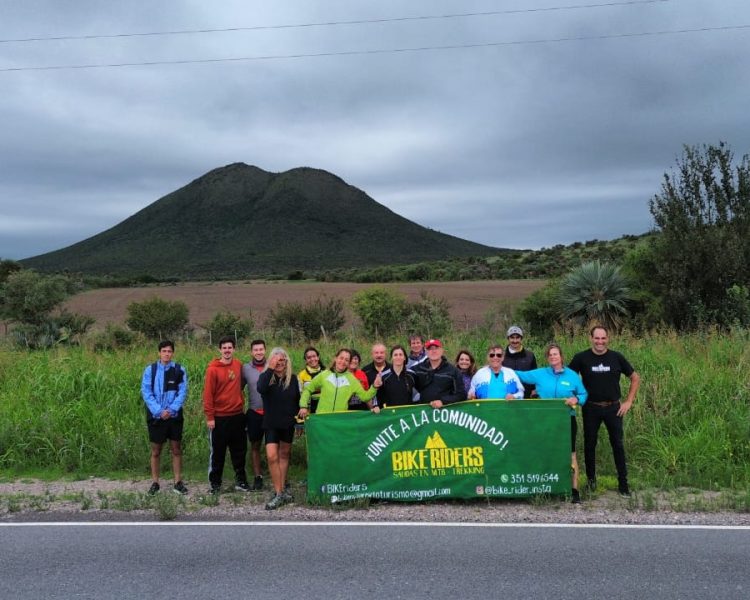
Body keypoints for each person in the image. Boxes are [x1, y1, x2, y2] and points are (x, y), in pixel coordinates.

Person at [569, 325, 641, 497]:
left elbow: (635, 377)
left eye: (603, 338)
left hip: (614, 408)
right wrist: (574, 396)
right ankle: (592, 482)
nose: (600, 341)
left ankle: (623, 484)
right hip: (591, 407)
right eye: (597, 338)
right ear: (591, 338)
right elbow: (568, 378)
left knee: (617, 445)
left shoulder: (616, 357)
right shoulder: (581, 358)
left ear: (608, 339)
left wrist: (629, 401)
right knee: (589, 446)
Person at [515, 343, 588, 503]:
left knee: (570, 454)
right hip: (544, 420)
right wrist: (498, 367)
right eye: (550, 355)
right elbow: (519, 375)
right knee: (544, 452)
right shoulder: (540, 374)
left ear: (561, 356)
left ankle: (574, 490)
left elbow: (583, 393)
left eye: (556, 354)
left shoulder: (572, 375)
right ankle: (545, 487)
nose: (553, 357)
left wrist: (577, 399)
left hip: (566, 420)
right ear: (547, 358)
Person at [141, 340, 188, 496]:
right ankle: (155, 482)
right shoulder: (151, 370)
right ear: (159, 352)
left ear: (173, 353)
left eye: (169, 351)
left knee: (176, 449)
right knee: (156, 451)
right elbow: (146, 392)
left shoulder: (179, 370)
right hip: (157, 416)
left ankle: (177, 482)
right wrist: (159, 411)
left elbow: (182, 392)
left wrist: (172, 409)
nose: (167, 354)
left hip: (174, 416)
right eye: (164, 351)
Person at [203, 336, 250, 494]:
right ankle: (215, 484)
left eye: (230, 347)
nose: (227, 350)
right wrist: (210, 417)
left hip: (237, 415)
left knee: (239, 451)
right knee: (218, 452)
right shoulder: (213, 369)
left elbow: (241, 385)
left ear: (234, 349)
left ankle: (241, 481)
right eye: (224, 348)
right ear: (220, 350)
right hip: (219, 418)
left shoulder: (238, 365)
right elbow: (208, 395)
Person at [257, 347, 300, 510]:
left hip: (288, 424)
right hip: (271, 424)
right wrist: (270, 367)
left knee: (284, 455)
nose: (280, 363)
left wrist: (299, 423)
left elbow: (297, 401)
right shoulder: (266, 378)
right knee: (271, 456)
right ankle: (278, 492)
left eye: (283, 360)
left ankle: (281, 491)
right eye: (276, 360)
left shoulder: (293, 379)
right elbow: (260, 388)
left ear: (287, 362)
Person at [298, 348, 382, 416]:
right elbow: (308, 389)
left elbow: (365, 397)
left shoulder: (351, 379)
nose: (343, 362)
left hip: (340, 420)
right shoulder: (324, 375)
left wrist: (374, 386)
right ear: (336, 358)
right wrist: (303, 406)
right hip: (322, 418)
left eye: (346, 360)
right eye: (341, 358)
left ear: (349, 363)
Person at [242, 339, 267, 490]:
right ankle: (258, 477)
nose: (258, 352)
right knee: (255, 446)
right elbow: (237, 388)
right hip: (254, 413)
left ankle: (280, 476)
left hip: (271, 413)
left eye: (261, 349)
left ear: (265, 350)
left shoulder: (272, 366)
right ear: (252, 352)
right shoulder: (245, 368)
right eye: (255, 350)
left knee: (274, 447)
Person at [412, 339, 467, 408]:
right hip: (424, 413)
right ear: (426, 352)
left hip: (446, 412)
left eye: (436, 348)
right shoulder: (417, 369)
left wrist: (443, 401)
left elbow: (461, 395)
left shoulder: (453, 371)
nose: (434, 351)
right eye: (430, 349)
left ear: (442, 351)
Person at [503, 325, 537, 398]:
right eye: (512, 337)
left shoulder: (530, 356)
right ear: (508, 339)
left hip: (527, 396)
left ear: (521, 339)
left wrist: (534, 389)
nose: (515, 341)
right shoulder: (501, 356)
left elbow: (534, 375)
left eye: (517, 337)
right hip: (507, 396)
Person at [362, 342, 390, 409]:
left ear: (386, 354)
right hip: (371, 410)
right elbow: (364, 392)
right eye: (376, 353)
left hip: (390, 409)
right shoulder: (365, 371)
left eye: (381, 353)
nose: (379, 355)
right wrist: (372, 407)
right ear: (372, 354)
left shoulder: (392, 369)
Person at [297, 346, 323, 414]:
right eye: (309, 357)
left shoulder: (325, 373)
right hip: (307, 411)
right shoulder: (301, 375)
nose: (312, 359)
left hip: (323, 410)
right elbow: (299, 394)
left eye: (314, 356)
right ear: (306, 360)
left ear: (318, 357)